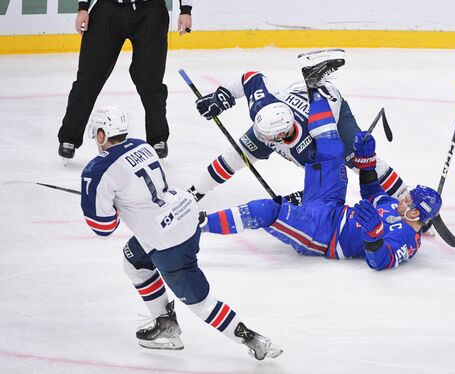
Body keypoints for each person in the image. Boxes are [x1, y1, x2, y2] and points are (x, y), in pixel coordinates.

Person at [80, 105, 282, 360]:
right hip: (184, 214)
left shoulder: (97, 170)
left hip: (167, 241)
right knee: (134, 260)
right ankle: (165, 322)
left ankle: (251, 338)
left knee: (201, 302)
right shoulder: (142, 145)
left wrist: (115, 207)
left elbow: (103, 227)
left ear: (101, 134)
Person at [198, 59, 442, 270]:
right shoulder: (264, 110)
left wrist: (374, 235)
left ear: (415, 213)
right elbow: (372, 192)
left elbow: (379, 261)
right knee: (331, 148)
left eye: (407, 200)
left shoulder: (407, 239)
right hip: (332, 206)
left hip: (322, 233)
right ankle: (313, 85)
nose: (402, 198)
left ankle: (198, 225)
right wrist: (365, 160)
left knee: (264, 210)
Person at [187, 49, 406, 204]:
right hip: (296, 97)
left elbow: (331, 181)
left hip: (332, 114)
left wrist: (303, 197)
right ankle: (195, 192)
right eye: (262, 132)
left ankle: (406, 197)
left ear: (281, 135)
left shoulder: (310, 151)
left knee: (360, 161)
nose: (263, 139)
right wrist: (222, 95)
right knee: (236, 155)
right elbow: (251, 78)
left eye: (269, 137)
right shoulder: (263, 109)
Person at [58, 0, 194, 161]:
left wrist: (185, 9)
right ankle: (69, 137)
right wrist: (83, 8)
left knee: (151, 80)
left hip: (151, 11)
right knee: (89, 77)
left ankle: (158, 138)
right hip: (107, 9)